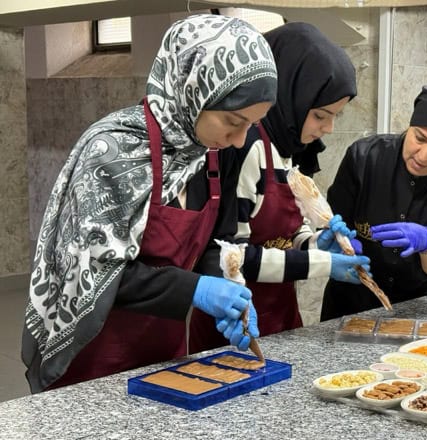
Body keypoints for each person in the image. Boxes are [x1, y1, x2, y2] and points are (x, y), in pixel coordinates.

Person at [22, 14, 279, 393]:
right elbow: (97, 273)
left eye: (252, 125)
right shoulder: (110, 152)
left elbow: (211, 243)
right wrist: (196, 290)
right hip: (97, 358)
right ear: (192, 90)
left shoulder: (207, 153)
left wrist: (226, 290)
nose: (240, 140)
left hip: (165, 358)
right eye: (232, 121)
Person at [188, 22, 370, 342]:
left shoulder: (288, 147)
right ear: (292, 94)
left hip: (281, 315)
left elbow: (286, 233)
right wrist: (321, 263)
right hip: (234, 318)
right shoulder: (248, 147)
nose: (328, 128)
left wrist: (314, 242)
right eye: (320, 115)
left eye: (335, 116)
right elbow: (233, 255)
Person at [320, 81, 427, 320]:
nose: (424, 156)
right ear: (410, 126)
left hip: (426, 305)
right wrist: (339, 244)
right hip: (355, 298)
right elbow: (331, 222)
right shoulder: (364, 157)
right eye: (419, 138)